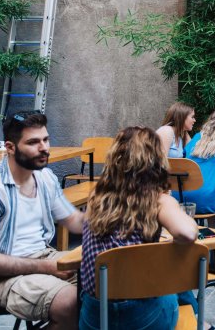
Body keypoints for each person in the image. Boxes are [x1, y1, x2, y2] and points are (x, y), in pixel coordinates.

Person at [78, 126, 202, 329]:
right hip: (142, 317)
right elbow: (188, 232)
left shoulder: (96, 197)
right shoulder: (157, 200)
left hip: (95, 316)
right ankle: (200, 323)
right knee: (172, 283)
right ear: (155, 160)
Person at [0, 111, 84, 328]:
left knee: (110, 278)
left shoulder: (44, 176)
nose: (44, 148)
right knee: (71, 302)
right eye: (33, 142)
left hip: (44, 256)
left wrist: (119, 219)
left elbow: (74, 221)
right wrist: (47, 267)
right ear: (10, 147)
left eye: (46, 139)